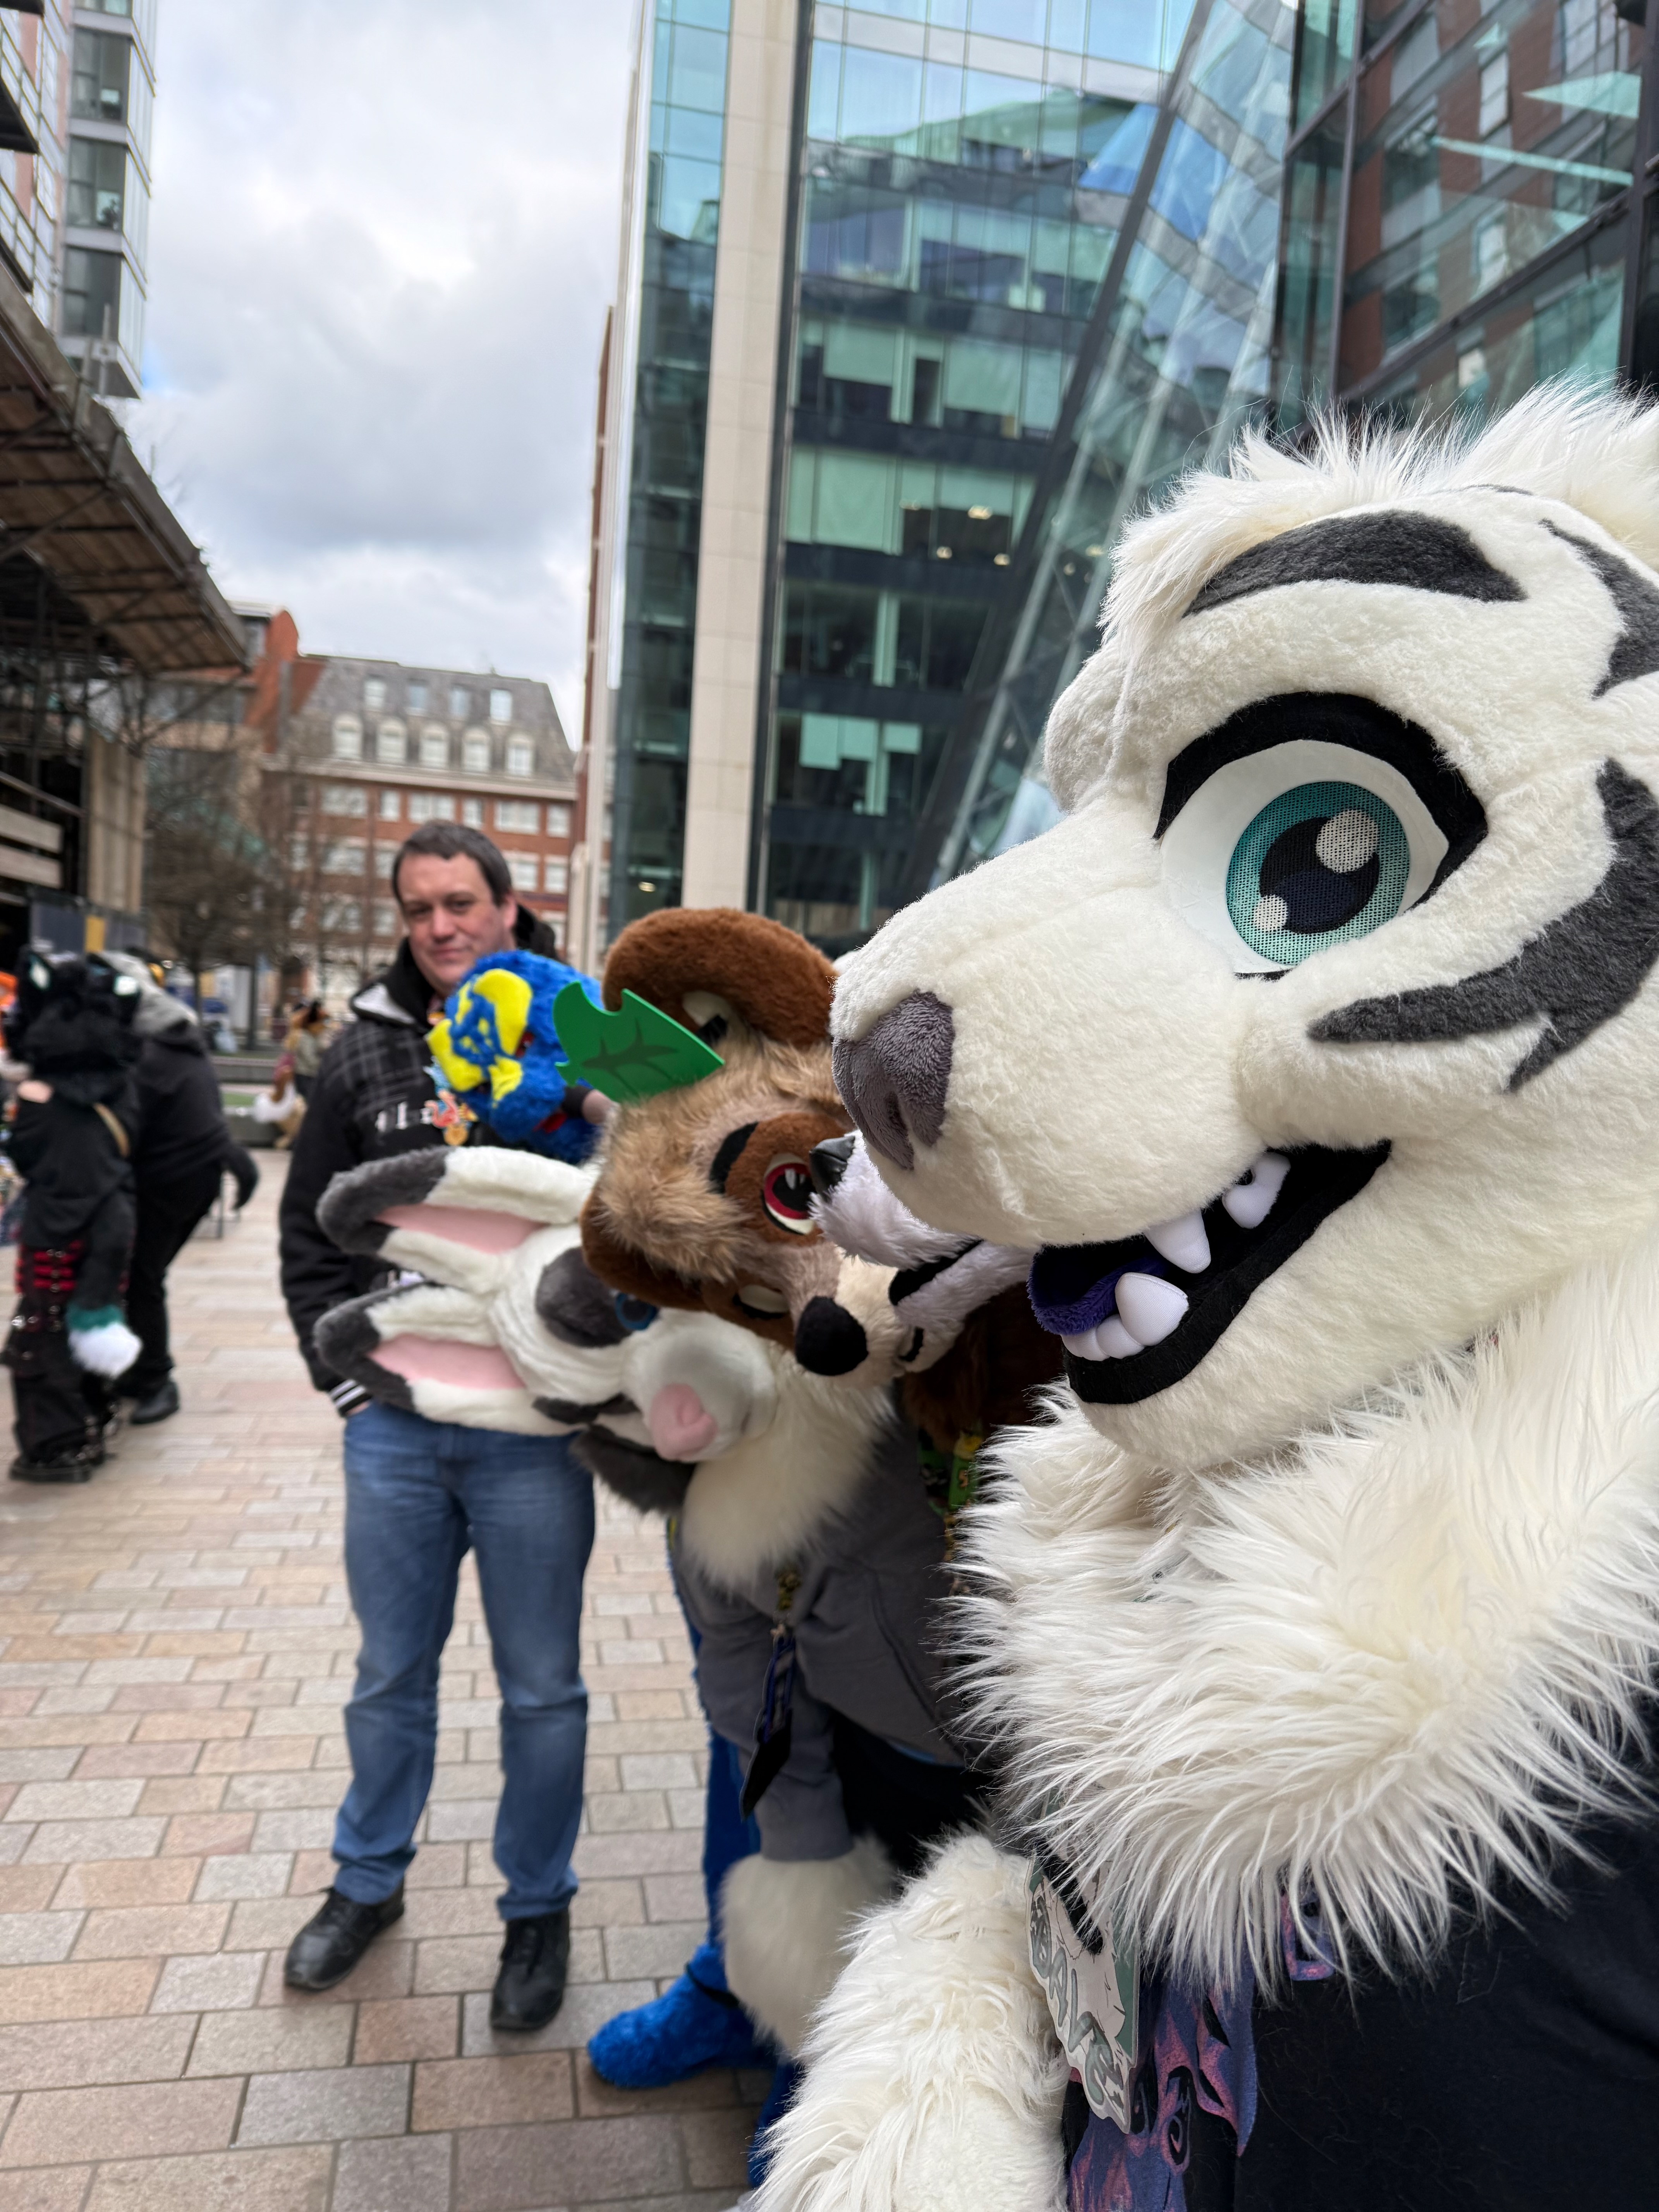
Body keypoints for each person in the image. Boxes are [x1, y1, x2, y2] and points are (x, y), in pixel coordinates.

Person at [277, 823, 594, 2030]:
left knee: (542, 1691)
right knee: (389, 1675)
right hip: (397, 1428)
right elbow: (309, 1229)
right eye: (419, 910)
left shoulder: (575, 1028)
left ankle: (537, 1910)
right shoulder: (364, 1048)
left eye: (460, 902)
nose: (440, 927)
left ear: (509, 906)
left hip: (530, 1431)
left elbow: (630, 1208)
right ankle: (366, 1881)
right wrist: (348, 1384)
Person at [1, 953, 144, 1481]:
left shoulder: (40, 1099)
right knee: (94, 1314)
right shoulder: (124, 1088)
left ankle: (57, 1443)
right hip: (113, 1219)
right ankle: (94, 1416)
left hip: (56, 1228)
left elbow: (28, 1156)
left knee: (42, 1331)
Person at [103, 957, 259, 1427]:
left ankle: (156, 1380)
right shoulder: (177, 1041)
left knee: (142, 1277)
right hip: (197, 1174)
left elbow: (127, 1126)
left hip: (174, 1180)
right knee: (140, 1276)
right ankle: (139, 1369)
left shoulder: (149, 1056)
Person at [286, 1000, 328, 1101]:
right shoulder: (304, 1037)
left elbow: (322, 1047)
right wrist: (326, 1065)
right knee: (306, 1102)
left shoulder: (313, 1036)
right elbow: (310, 1060)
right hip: (304, 1075)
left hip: (311, 1075)